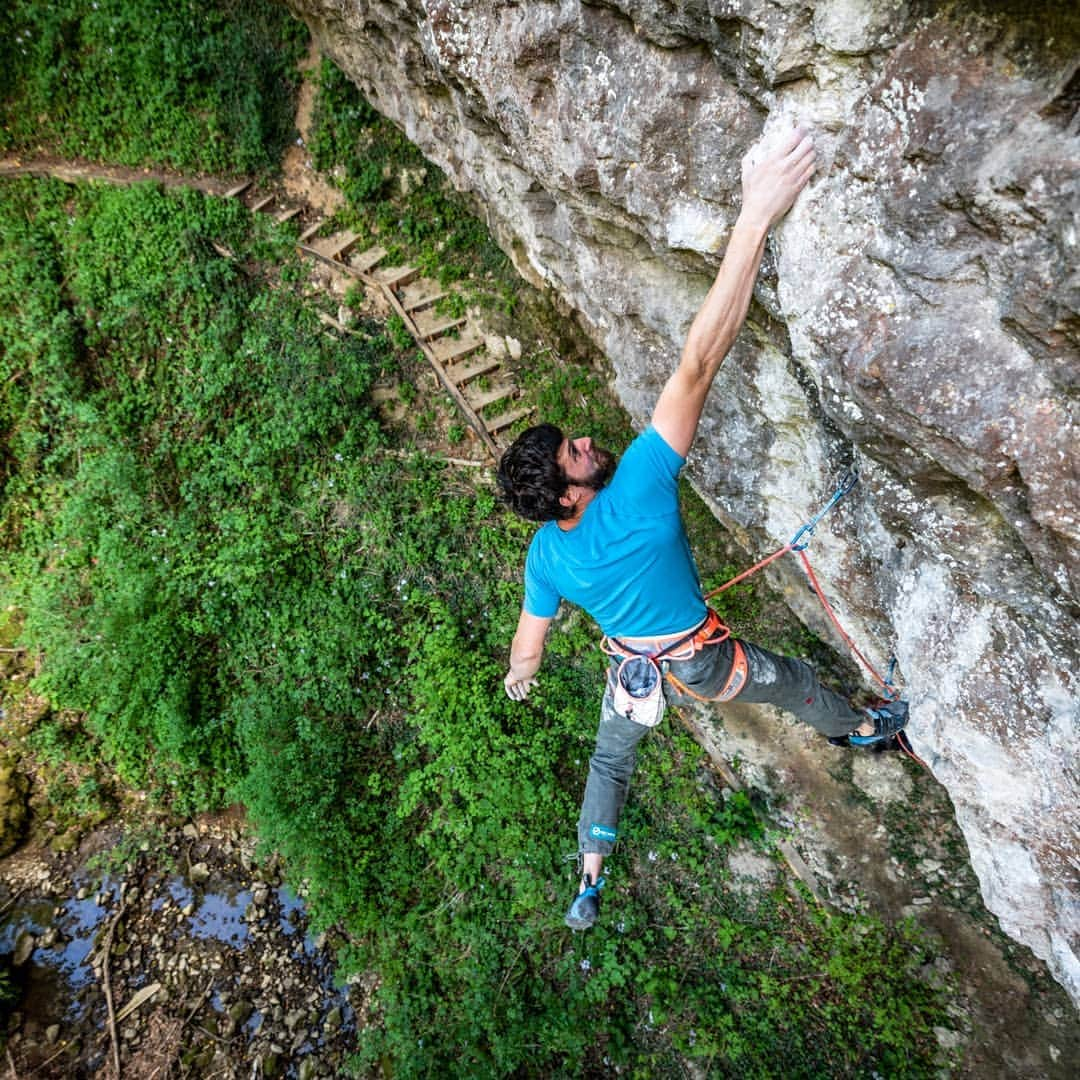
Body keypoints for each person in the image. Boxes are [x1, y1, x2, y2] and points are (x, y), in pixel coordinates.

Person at [495, 125, 908, 931]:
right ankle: (863, 728)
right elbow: (698, 362)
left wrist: (521, 678)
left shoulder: (546, 554)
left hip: (633, 670)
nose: (586, 442)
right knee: (791, 683)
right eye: (576, 454)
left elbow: (528, 646)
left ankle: (590, 871)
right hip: (701, 659)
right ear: (570, 495)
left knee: (611, 757)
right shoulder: (639, 487)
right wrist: (755, 217)